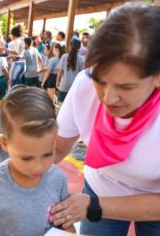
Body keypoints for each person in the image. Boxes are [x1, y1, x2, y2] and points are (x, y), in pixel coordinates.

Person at [49, 3, 160, 235]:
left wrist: (94, 207)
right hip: (101, 188)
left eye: (126, 87)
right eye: (100, 79)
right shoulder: (84, 85)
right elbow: (56, 149)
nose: (108, 98)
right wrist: (13, 167)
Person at [0, 87, 75, 235]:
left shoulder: (58, 179)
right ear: (5, 143)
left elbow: (65, 223)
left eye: (47, 154)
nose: (38, 167)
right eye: (27, 158)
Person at [56, 37, 84, 105]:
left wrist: (57, 81)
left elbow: (60, 71)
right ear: (79, 47)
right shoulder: (82, 59)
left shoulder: (64, 56)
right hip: (75, 86)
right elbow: (82, 74)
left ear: (69, 46)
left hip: (64, 84)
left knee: (61, 105)